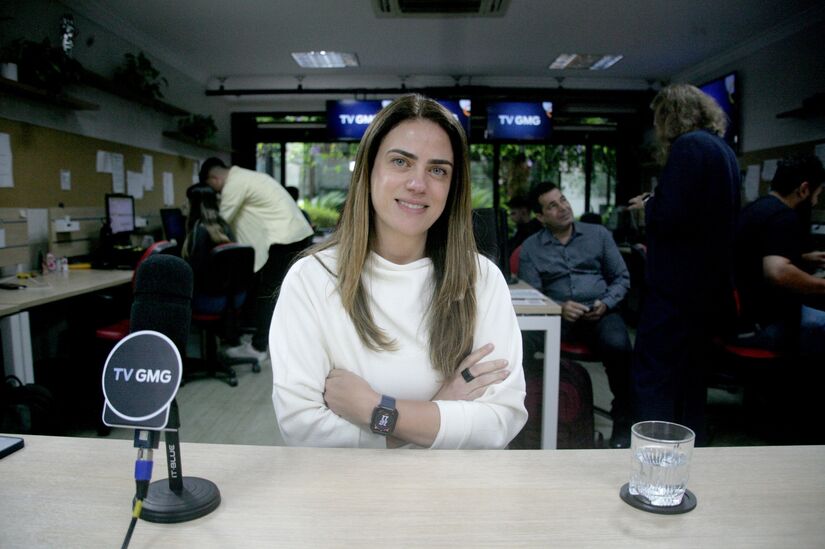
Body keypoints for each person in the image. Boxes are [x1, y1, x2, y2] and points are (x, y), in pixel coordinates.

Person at [269, 94, 527, 449]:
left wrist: (376, 410)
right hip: (346, 492)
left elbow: (501, 419)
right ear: (368, 170)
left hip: (455, 491)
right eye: (401, 162)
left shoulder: (480, 279)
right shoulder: (311, 279)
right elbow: (303, 429)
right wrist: (444, 405)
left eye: (438, 170)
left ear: (452, 188)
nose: (418, 184)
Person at [629, 84, 740, 445]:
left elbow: (672, 215)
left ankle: (653, 452)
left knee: (654, 376)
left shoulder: (688, 147)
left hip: (675, 289)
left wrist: (648, 206)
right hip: (707, 289)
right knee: (691, 380)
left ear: (669, 115)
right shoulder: (722, 150)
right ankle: (690, 451)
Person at [518, 181, 633, 448]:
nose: (563, 208)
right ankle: (525, 416)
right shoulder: (531, 248)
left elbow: (621, 278)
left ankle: (624, 421)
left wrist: (606, 302)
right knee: (518, 343)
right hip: (556, 319)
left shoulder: (599, 235)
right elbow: (531, 293)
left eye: (563, 200)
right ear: (540, 216)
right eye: (552, 206)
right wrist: (559, 307)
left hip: (600, 313)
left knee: (619, 346)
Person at [200, 157, 314, 362]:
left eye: (213, 188)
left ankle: (258, 347)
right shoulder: (245, 176)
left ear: (214, 179)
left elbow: (220, 222)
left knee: (267, 292)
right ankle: (273, 342)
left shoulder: (234, 184)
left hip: (285, 237)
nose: (216, 192)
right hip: (294, 234)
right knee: (279, 292)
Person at [734, 155, 825, 357]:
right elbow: (777, 272)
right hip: (763, 324)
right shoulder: (784, 216)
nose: (816, 201)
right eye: (817, 194)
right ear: (803, 189)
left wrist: (804, 258)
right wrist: (821, 285)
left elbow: (755, 259)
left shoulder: (755, 208)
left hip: (738, 320)